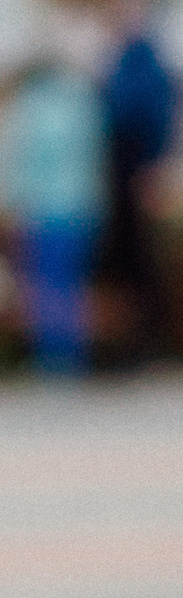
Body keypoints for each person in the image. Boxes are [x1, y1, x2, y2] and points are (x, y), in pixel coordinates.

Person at [1, 29, 109, 378]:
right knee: (70, 284)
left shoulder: (28, 105)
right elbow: (95, 157)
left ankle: (53, 360)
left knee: (45, 285)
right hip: (80, 208)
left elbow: (14, 159)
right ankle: (70, 358)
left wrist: (10, 202)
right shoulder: (84, 101)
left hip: (41, 209)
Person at [95, 0, 181, 362]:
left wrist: (156, 166)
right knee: (124, 258)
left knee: (138, 259)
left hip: (134, 164)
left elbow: (157, 116)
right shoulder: (120, 59)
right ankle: (124, 342)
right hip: (119, 166)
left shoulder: (145, 62)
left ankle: (144, 343)